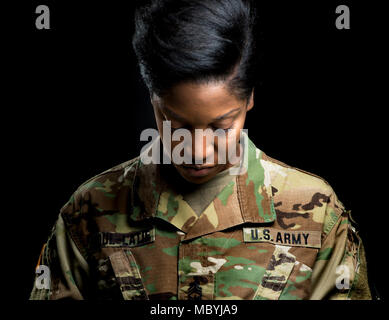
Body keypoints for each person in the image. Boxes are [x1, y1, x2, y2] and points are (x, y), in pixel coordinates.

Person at [30, 0, 373, 300]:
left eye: (221, 127)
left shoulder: (317, 214)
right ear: (154, 101)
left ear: (249, 98)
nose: (198, 152)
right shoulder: (89, 210)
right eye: (177, 125)